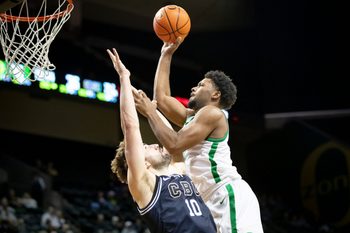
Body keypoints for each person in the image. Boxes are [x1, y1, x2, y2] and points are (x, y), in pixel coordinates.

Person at [133, 38, 264, 233]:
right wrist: (166, 54)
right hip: (209, 201)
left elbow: (175, 144)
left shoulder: (212, 114)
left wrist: (150, 113)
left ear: (215, 95)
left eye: (202, 85)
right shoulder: (192, 117)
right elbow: (161, 99)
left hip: (227, 195)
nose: (194, 87)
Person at [107, 48, 216, 233]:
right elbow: (131, 127)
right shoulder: (144, 184)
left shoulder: (177, 169)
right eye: (146, 147)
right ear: (143, 163)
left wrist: (152, 110)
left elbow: (171, 139)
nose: (153, 144)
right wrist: (124, 78)